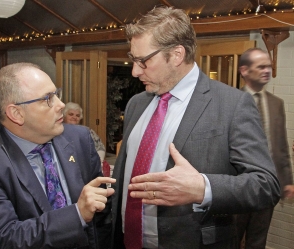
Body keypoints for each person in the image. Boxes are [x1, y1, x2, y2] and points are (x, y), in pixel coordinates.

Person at [110, 6, 281, 249]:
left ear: (177, 54)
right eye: (133, 59)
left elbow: (266, 185)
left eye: (143, 61)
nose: (135, 71)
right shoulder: (137, 103)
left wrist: (203, 188)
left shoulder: (231, 105)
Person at [0, 62, 115, 249]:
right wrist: (77, 215)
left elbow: (101, 217)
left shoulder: (79, 139)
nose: (61, 105)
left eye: (56, 94)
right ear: (16, 113)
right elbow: (1, 239)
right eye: (48, 99)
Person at [236, 48, 294, 248]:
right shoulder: (229, 100)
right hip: (237, 186)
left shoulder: (277, 103)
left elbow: (281, 145)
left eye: (268, 66)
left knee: (257, 241)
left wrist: (286, 180)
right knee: (229, 240)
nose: (267, 71)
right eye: (261, 67)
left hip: (268, 187)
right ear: (244, 71)